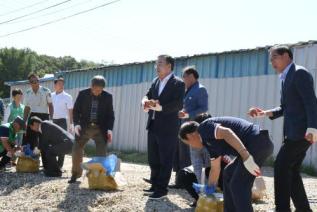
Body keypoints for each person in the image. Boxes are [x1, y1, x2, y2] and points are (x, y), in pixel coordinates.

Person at [248, 45, 317, 212]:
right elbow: (285, 107)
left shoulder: (299, 73)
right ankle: (303, 209)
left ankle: (282, 208)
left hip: (302, 133)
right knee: (292, 170)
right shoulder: (285, 78)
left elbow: (311, 102)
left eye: (274, 58)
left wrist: (313, 128)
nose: (272, 63)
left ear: (286, 56)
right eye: (271, 59)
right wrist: (264, 113)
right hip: (295, 132)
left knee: (280, 166)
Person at [179, 117, 273, 212]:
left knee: (237, 184)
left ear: (190, 136)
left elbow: (226, 132)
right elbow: (215, 168)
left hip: (258, 142)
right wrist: (210, 188)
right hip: (254, 145)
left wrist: (245, 156)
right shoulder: (209, 144)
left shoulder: (204, 128)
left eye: (188, 143)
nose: (191, 146)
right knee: (228, 172)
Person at [141, 55, 185, 199]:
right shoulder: (155, 81)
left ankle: (162, 190)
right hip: (153, 125)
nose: (156, 66)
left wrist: (161, 108)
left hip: (168, 128)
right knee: (153, 158)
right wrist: (145, 102)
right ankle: (154, 185)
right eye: (156, 63)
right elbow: (147, 95)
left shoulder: (178, 83)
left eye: (160, 63)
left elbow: (178, 104)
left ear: (169, 66)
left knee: (166, 159)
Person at [69, 75, 115, 183]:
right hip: (84, 127)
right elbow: (76, 111)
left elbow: (110, 114)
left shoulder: (108, 97)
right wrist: (76, 124)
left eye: (100, 90)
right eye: (96, 90)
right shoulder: (82, 94)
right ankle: (75, 174)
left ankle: (99, 175)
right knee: (76, 149)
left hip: (100, 128)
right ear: (91, 86)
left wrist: (109, 129)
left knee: (101, 152)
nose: (98, 92)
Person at [172, 66, 208, 187]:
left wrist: (187, 114)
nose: (184, 79)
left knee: (187, 154)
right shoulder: (185, 90)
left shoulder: (200, 89)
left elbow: (204, 108)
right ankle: (179, 180)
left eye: (185, 76)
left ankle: (187, 181)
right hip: (181, 126)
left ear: (192, 76)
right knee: (178, 153)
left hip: (192, 129)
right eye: (183, 76)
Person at [23, 73, 53, 149]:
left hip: (44, 116)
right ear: (29, 83)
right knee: (30, 138)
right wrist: (24, 121)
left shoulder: (46, 91)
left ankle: (45, 159)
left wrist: (51, 119)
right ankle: (30, 158)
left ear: (38, 81)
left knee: (44, 139)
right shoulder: (27, 92)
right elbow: (26, 108)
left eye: (36, 80)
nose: (35, 82)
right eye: (32, 81)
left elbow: (50, 105)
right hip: (32, 116)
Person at [51, 76, 74, 169]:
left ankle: (59, 165)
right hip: (52, 121)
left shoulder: (67, 97)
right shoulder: (51, 95)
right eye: (59, 83)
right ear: (55, 85)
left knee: (62, 142)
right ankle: (52, 163)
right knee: (52, 142)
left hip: (62, 121)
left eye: (62, 84)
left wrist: (71, 124)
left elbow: (70, 111)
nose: (61, 85)